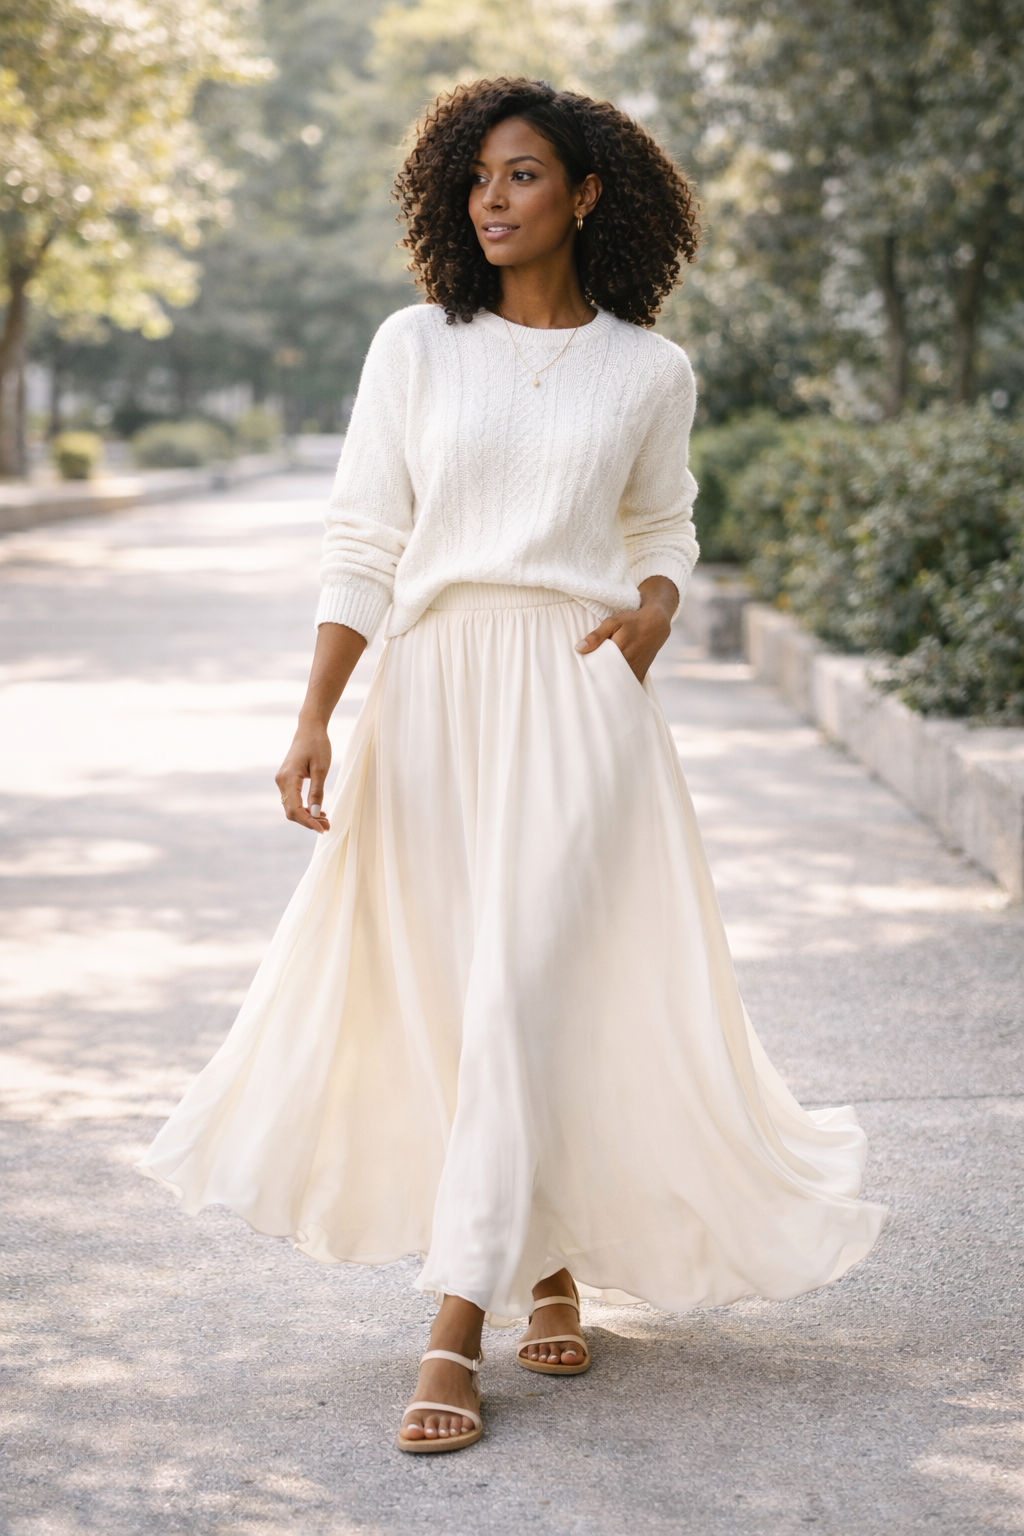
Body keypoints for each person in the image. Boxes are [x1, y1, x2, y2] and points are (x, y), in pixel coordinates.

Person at [135, 76, 890, 1455]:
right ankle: (540, 1262)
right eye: (478, 176)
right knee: (459, 991)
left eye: (525, 174)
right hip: (431, 692)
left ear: (586, 194)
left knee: (526, 979)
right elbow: (364, 541)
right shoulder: (414, 348)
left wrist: (650, 616)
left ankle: (450, 1325)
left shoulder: (647, 370)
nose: (494, 198)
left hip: (576, 696)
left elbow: (667, 525)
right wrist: (314, 713)